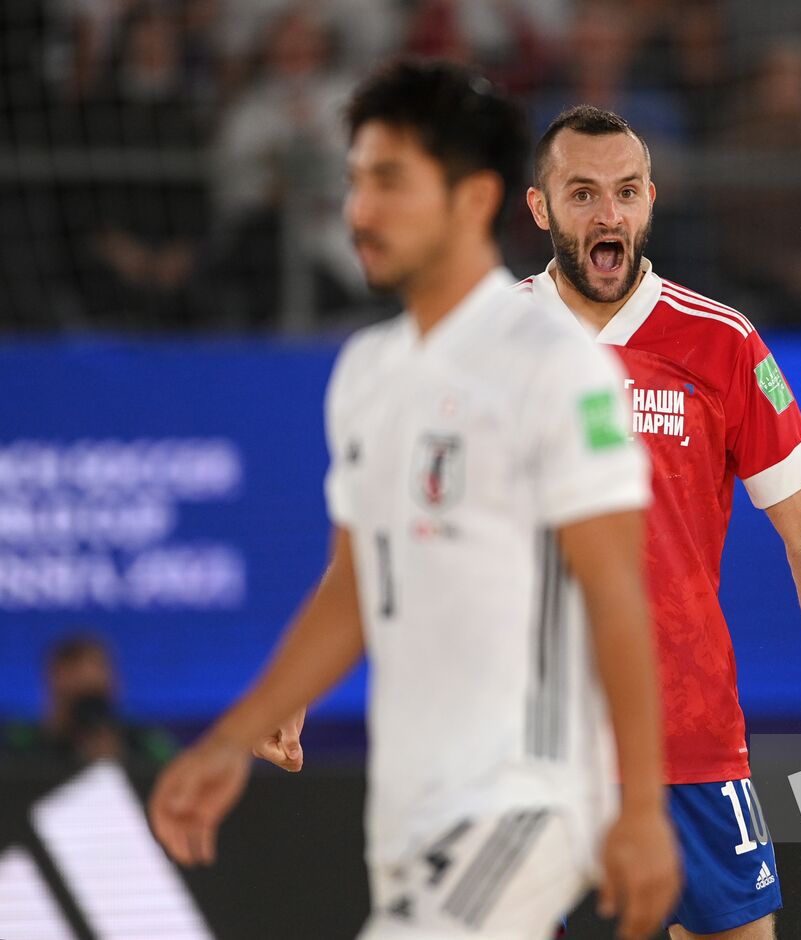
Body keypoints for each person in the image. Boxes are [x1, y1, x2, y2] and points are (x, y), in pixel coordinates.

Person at [147, 60, 680, 940]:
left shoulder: (554, 368)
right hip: (411, 805)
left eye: (389, 181)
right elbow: (357, 588)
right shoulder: (367, 374)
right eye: (357, 180)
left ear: (472, 199)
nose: (359, 209)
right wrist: (236, 731)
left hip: (526, 795)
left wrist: (643, 809)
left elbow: (617, 594)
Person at [520, 106, 801, 939]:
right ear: (540, 207)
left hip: (686, 736)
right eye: (582, 194)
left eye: (626, 192)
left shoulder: (723, 343)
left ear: (651, 200)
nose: (608, 215)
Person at [3, 633, 176, 768]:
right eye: (79, 699)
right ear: (53, 685)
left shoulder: (146, 744)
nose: (88, 715)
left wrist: (121, 763)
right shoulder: (18, 746)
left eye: (96, 700)